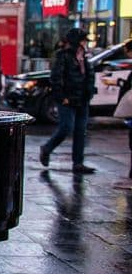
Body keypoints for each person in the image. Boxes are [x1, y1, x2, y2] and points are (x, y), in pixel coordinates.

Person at [40, 28, 97, 174]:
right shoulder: (63, 56)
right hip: (68, 99)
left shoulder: (84, 56)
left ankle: (78, 163)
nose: (85, 43)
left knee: (80, 131)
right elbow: (56, 78)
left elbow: (89, 76)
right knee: (66, 127)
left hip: (82, 99)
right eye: (83, 40)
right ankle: (47, 148)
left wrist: (89, 91)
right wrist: (61, 97)